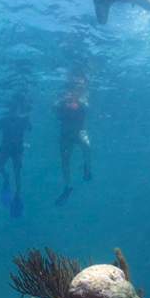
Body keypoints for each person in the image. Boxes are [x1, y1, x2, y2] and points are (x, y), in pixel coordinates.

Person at [54, 78, 91, 206]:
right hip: (65, 135)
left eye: (78, 88)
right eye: (73, 88)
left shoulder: (83, 98)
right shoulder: (62, 99)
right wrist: (63, 102)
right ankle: (67, 186)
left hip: (80, 131)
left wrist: (77, 101)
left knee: (87, 147)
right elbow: (54, 109)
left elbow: (86, 106)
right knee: (65, 161)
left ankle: (87, 167)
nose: (74, 91)